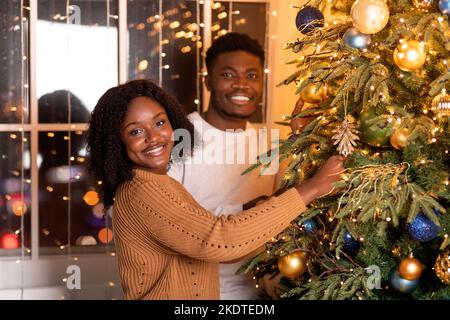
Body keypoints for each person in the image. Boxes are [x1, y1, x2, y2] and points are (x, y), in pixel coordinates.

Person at [86, 79, 345, 300]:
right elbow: (221, 241)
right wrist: (313, 187)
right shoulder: (144, 192)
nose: (154, 137)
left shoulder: (157, 184)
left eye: (159, 123)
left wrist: (298, 146)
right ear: (116, 142)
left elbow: (212, 246)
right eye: (135, 131)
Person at [167, 32, 303, 299]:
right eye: (228, 75)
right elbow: (171, 220)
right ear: (208, 82)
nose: (241, 85)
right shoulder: (180, 136)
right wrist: (246, 210)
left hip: (257, 292)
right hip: (192, 292)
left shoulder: (269, 142)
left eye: (251, 76)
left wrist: (303, 142)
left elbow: (291, 201)